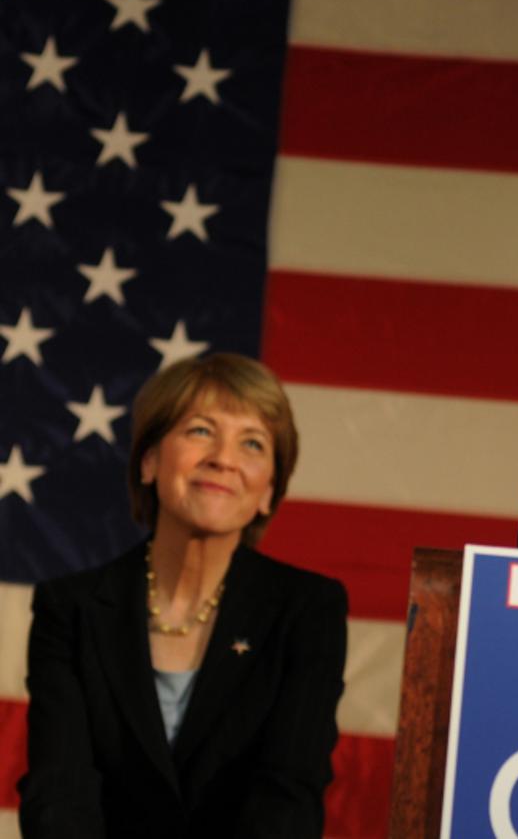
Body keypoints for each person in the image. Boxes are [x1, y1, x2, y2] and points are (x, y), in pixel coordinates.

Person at [19, 354, 347, 838]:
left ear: (268, 491)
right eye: (200, 431)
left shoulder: (306, 610)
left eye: (252, 443)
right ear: (149, 461)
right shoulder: (71, 609)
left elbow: (287, 797)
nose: (224, 458)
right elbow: (59, 793)